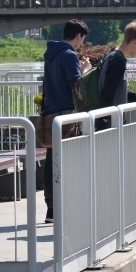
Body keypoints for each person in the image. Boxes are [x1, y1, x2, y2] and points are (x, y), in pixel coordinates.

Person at [41, 19, 92, 223]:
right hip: (66, 113)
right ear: (78, 36)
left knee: (51, 159)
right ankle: (63, 207)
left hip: (50, 112)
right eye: (82, 40)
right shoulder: (70, 55)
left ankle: (51, 208)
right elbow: (76, 85)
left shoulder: (51, 54)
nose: (82, 44)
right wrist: (86, 68)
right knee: (68, 159)